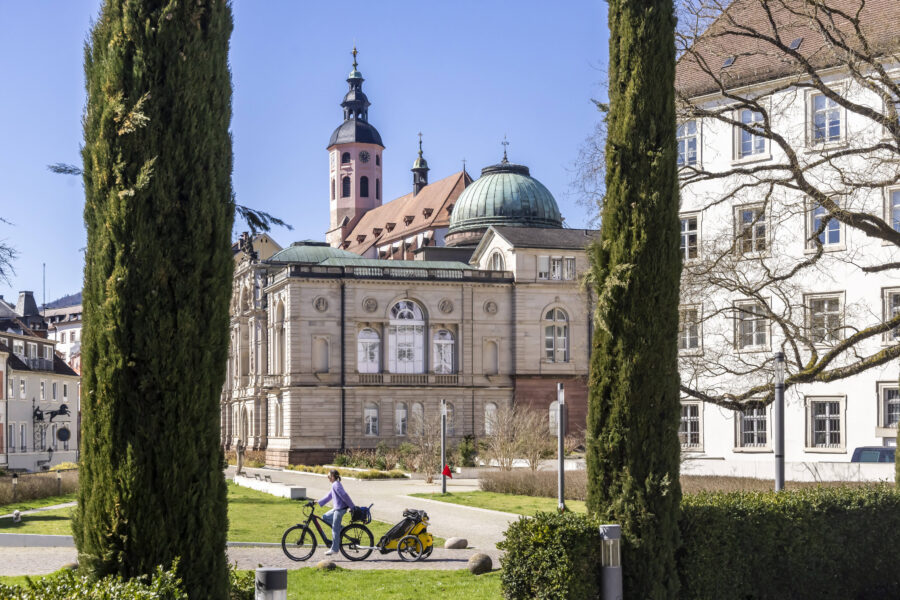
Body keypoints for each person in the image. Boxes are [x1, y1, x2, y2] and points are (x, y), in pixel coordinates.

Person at [316, 469, 355, 555]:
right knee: (325, 517)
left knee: (335, 529)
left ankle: (334, 549)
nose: (328, 478)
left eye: (329, 476)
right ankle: (342, 529)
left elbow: (344, 495)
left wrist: (352, 507)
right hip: (337, 508)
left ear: (333, 477)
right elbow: (329, 496)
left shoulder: (336, 485)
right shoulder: (335, 484)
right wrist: (318, 502)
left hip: (340, 509)